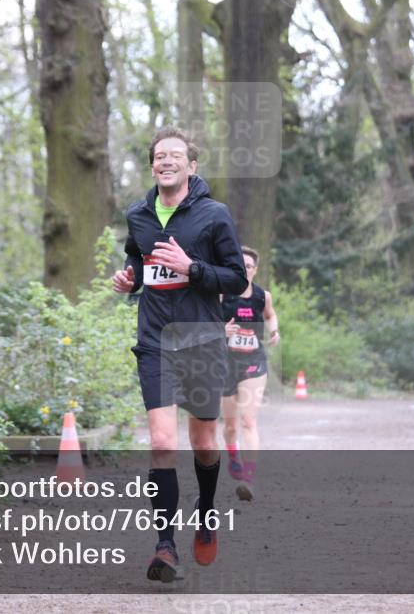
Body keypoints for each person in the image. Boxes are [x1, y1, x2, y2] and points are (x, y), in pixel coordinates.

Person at [112, 126, 247, 582]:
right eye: (158, 156)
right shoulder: (139, 214)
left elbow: (235, 279)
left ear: (191, 166)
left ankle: (206, 510)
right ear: (152, 165)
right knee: (163, 442)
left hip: (203, 341)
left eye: (175, 155)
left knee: (203, 443)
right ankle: (165, 546)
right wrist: (130, 277)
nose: (165, 161)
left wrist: (192, 268)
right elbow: (139, 257)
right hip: (155, 341)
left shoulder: (214, 215)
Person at [220, 246, 279, 502]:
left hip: (253, 362)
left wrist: (274, 330)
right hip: (224, 364)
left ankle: (249, 478)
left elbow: (270, 315)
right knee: (231, 426)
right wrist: (222, 331)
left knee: (248, 421)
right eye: (239, 264)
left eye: (249, 266)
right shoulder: (222, 294)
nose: (244, 269)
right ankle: (233, 454)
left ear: (255, 270)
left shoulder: (262, 296)